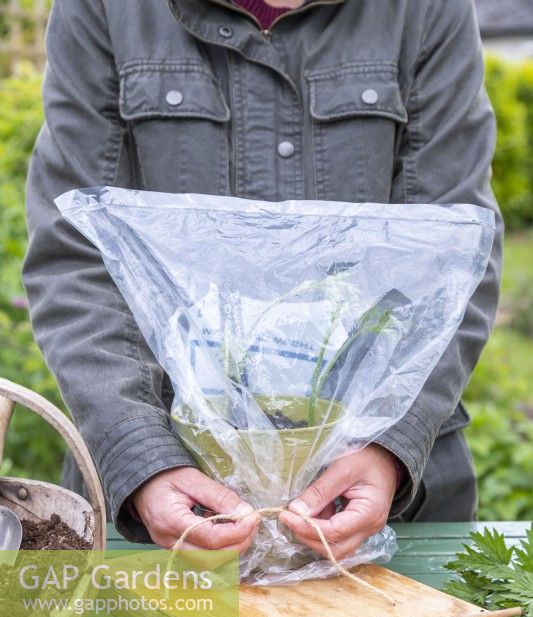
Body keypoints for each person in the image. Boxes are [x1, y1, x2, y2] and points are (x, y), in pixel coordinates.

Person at [23, 0, 502, 561]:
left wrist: (391, 448)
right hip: (161, 507)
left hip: (388, 503)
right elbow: (75, 255)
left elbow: (454, 256)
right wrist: (144, 457)